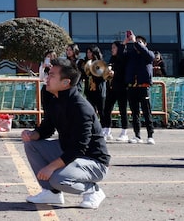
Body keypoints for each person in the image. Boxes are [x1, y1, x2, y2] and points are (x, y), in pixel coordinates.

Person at [21, 57, 109, 209]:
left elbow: (78, 149)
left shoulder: (81, 107)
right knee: (31, 145)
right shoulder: (53, 98)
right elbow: (47, 128)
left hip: (93, 161)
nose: (47, 78)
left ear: (65, 83)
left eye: (52, 75)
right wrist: (32, 134)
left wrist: (51, 167)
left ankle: (93, 191)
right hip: (69, 152)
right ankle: (51, 193)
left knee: (57, 178)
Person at [121, 33, 155, 144]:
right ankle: (137, 135)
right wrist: (125, 42)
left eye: (140, 42)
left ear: (145, 44)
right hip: (132, 87)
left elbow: (146, 53)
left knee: (146, 112)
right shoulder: (131, 55)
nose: (137, 45)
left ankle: (150, 135)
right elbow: (121, 56)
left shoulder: (149, 54)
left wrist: (136, 41)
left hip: (143, 87)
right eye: (136, 43)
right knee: (135, 112)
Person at [101, 41, 129, 142]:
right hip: (111, 87)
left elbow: (123, 72)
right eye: (111, 48)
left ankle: (124, 132)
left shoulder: (123, 58)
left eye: (114, 48)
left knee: (123, 110)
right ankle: (107, 131)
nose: (112, 49)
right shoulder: (112, 58)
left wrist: (115, 73)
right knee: (107, 109)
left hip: (122, 88)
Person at [81, 46, 107, 119]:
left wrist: (94, 71)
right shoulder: (86, 63)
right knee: (91, 110)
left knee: (101, 111)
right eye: (87, 52)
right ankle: (93, 127)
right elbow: (83, 76)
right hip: (89, 91)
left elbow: (103, 78)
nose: (88, 54)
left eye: (90, 52)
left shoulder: (101, 63)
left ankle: (103, 127)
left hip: (99, 91)